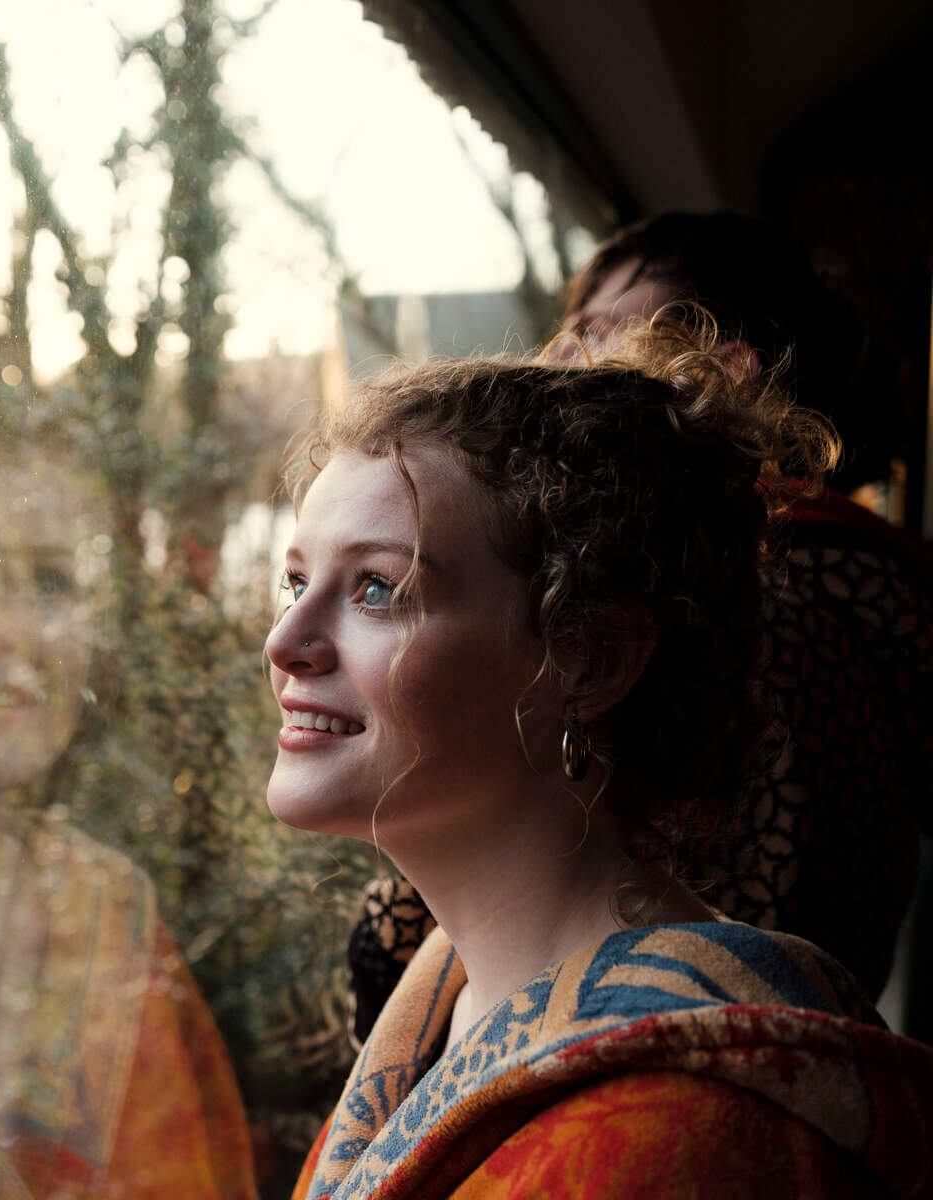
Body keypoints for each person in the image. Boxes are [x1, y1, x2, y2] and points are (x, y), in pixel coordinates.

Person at [267, 317, 933, 1198]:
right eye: (294, 580)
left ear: (589, 659)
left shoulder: (678, 1142)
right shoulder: (454, 1003)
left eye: (380, 590)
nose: (287, 641)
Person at [348, 214, 933, 1041]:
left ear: (712, 373)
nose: (550, 360)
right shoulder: (853, 605)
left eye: (591, 335)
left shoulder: (758, 612)